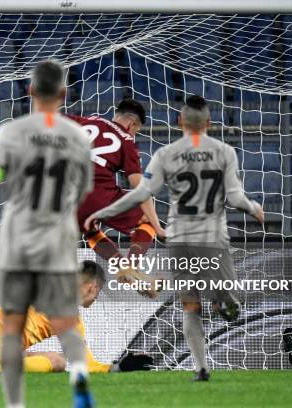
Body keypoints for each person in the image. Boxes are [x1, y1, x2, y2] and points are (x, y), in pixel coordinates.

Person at [84, 95, 264, 382]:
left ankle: (201, 368)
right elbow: (234, 196)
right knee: (212, 288)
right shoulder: (224, 151)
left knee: (189, 303)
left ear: (180, 122)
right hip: (211, 233)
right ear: (209, 122)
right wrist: (253, 207)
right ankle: (221, 300)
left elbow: (143, 191)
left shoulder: (164, 154)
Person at [0, 59, 95, 408]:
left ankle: (15, 404)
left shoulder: (10, 134)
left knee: (13, 324)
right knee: (65, 319)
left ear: (30, 90)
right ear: (65, 94)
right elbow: (83, 190)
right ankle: (80, 385)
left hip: (19, 235)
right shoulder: (78, 136)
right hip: (58, 234)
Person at [68, 100, 165, 262]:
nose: (134, 135)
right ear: (132, 124)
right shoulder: (126, 140)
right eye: (136, 131)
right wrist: (158, 227)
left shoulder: (87, 120)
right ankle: (131, 266)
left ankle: (122, 268)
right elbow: (139, 187)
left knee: (90, 229)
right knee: (146, 219)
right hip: (96, 195)